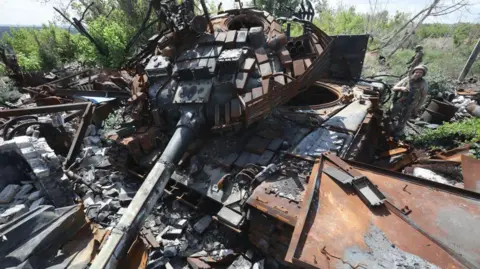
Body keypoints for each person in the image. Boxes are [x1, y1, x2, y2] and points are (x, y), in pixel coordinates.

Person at [389, 65, 428, 138]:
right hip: (400, 101)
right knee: (391, 116)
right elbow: (394, 88)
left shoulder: (423, 83)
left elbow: (423, 97)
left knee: (403, 120)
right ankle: (387, 129)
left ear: (423, 74)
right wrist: (401, 88)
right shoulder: (406, 79)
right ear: (414, 72)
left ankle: (397, 134)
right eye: (416, 72)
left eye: (420, 72)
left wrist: (417, 108)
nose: (418, 74)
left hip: (411, 104)